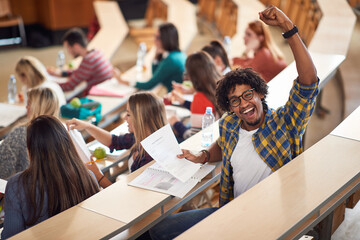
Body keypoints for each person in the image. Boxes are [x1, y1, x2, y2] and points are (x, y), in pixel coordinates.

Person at [149, 6, 319, 239]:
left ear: (260, 93)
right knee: (159, 229)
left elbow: (308, 82)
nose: (244, 105)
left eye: (248, 95)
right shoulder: (229, 123)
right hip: (231, 210)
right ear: (229, 107)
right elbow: (223, 144)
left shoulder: (286, 122)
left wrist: (288, 28)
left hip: (271, 219)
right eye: (235, 101)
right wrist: (204, 156)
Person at [1, 115, 99, 239]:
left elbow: (11, 236)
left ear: (31, 149)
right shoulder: (87, 176)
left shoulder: (16, 185)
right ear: (66, 143)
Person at [66, 92, 167, 188]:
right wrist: (87, 126)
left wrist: (98, 176)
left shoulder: (151, 156)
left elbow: (129, 196)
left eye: (128, 114)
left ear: (141, 118)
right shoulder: (141, 137)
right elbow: (114, 141)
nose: (124, 118)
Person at [0, 88, 60, 179]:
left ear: (36, 108)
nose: (26, 107)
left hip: (26, 188)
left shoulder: (21, 133)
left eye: (28, 104)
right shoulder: (60, 131)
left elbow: (2, 170)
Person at [167, 51, 223, 141]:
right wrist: (184, 102)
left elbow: (193, 138)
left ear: (193, 76)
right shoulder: (220, 87)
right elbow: (205, 110)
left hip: (204, 145)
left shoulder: (199, 97)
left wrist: (176, 123)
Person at [114, 23, 186, 92]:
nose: (154, 40)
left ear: (166, 39)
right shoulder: (178, 54)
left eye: (157, 37)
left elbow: (148, 85)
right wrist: (156, 55)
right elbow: (155, 74)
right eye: (154, 35)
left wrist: (122, 81)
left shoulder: (171, 60)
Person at [47, 27, 113, 94]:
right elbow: (79, 71)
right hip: (106, 89)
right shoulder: (96, 52)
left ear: (76, 46)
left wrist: (47, 84)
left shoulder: (88, 60)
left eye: (68, 48)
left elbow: (69, 86)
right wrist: (61, 73)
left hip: (95, 95)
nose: (68, 52)